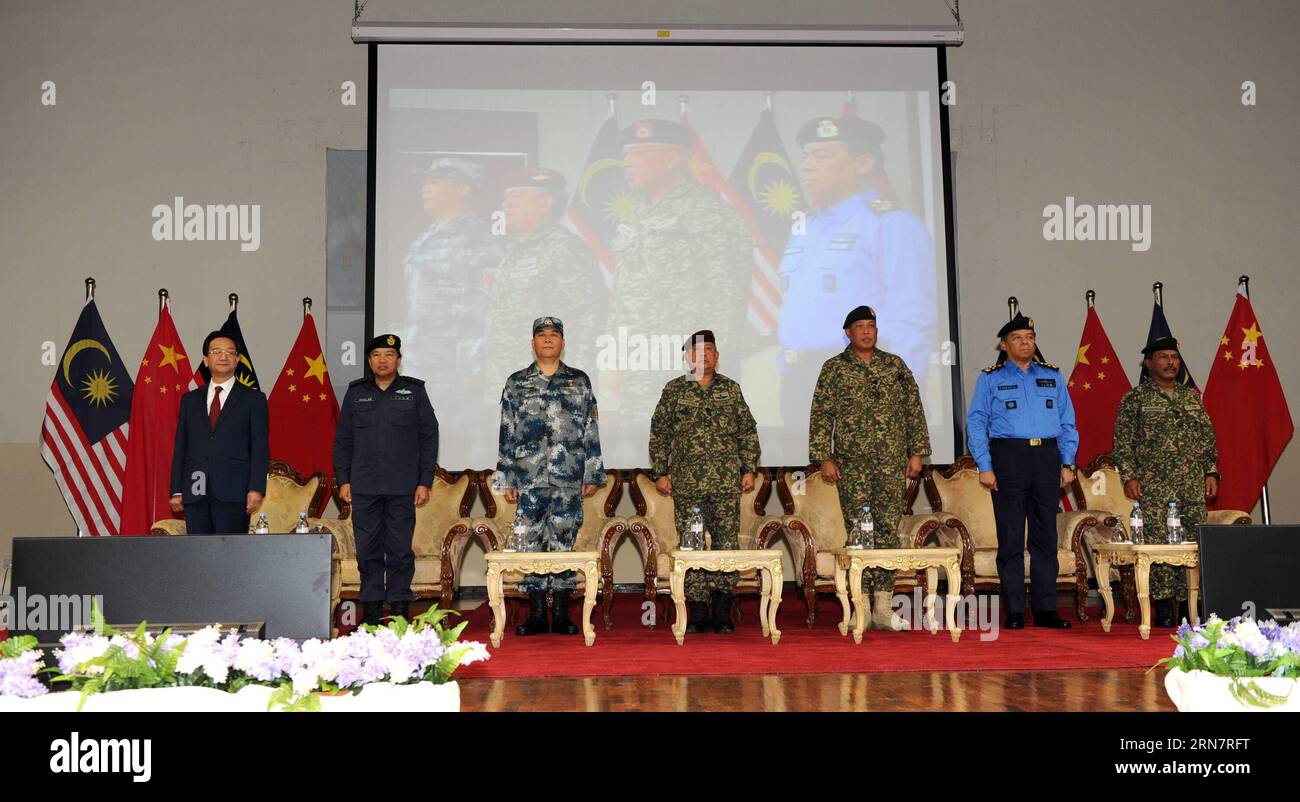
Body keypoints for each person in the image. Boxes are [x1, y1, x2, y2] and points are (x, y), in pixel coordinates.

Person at [777, 115, 937, 428]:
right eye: (806, 156)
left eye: (821, 156)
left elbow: (912, 320)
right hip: (799, 384)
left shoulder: (892, 224)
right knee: (805, 477)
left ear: (862, 163)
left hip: (863, 383)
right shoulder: (804, 228)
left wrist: (904, 397)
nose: (807, 166)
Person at [604, 119, 752, 421]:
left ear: (673, 159)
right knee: (639, 461)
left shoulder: (709, 213)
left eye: (638, 154)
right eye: (626, 154)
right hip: (638, 367)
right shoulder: (636, 214)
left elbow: (726, 296)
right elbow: (623, 295)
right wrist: (614, 360)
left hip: (685, 368)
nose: (627, 163)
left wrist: (707, 371)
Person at [808, 306, 931, 630]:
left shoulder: (894, 366)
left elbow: (913, 410)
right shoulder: (834, 368)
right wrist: (825, 457)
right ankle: (860, 607)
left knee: (888, 531)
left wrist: (917, 452)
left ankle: (883, 608)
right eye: (860, 326)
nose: (866, 332)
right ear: (847, 332)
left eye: (871, 326)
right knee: (859, 533)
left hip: (891, 464)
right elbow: (821, 415)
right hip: (852, 465)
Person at [495, 317, 606, 636]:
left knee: (562, 542)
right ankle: (536, 614)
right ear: (532, 343)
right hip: (528, 479)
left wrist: (593, 472)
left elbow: (590, 429)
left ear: (562, 343)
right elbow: (507, 431)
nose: (547, 340)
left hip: (568, 478)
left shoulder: (579, 381)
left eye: (553, 335)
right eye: (541, 335)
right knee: (530, 544)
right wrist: (507, 477)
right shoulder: (517, 382)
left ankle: (560, 613)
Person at [966, 313, 1078, 630]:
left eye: (1029, 337)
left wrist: (1067, 462)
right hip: (1009, 457)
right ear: (1004, 345)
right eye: (1017, 338)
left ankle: (1045, 610)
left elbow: (1068, 423)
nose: (1025, 342)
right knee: (1012, 538)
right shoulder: (991, 378)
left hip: (1046, 456)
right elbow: (976, 422)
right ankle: (1015, 609)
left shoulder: (1052, 377)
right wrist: (985, 465)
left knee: (1045, 537)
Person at [649, 330, 761, 634]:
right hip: (687, 484)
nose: (704, 355)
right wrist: (660, 472)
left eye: (710, 349)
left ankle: (722, 610)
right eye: (697, 351)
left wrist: (748, 469)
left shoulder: (731, 389)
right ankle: (697, 610)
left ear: (717, 355)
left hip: (726, 483)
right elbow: (660, 434)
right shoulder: (675, 390)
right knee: (692, 546)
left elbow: (747, 432)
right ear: (688, 357)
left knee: (726, 545)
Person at [1112, 335, 1219, 627]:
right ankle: (1161, 607)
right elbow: (1123, 444)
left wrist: (1210, 472)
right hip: (1153, 485)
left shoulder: (1190, 397)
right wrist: (1129, 476)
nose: (1170, 362)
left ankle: (1189, 605)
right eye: (1163, 357)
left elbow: (1207, 439)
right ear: (1148, 363)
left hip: (1191, 484)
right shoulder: (1135, 399)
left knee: (1191, 545)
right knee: (1158, 545)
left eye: (1174, 357)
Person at [333, 334, 439, 626]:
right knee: (367, 551)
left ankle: (401, 609)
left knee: (400, 551)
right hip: (364, 486)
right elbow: (343, 440)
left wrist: (424, 481)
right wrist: (343, 479)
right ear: (369, 361)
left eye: (389, 355)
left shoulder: (414, 391)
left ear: (398, 360)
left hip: (403, 486)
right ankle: (370, 611)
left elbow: (429, 437)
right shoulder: (356, 393)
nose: (383, 360)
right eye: (376, 355)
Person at [399, 157, 504, 442]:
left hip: (454, 371)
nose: (425, 187)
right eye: (426, 181)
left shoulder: (476, 239)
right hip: (423, 362)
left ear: (463, 190)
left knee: (456, 446)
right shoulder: (427, 236)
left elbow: (484, 308)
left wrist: (473, 368)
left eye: (436, 181)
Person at [483, 167, 607, 395]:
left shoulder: (565, 249)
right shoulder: (514, 250)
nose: (505, 204)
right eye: (506, 197)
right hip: (511, 383)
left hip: (550, 389)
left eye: (516, 197)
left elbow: (587, 320)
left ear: (544, 203)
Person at [169, 332, 269, 534]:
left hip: (234, 491)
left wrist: (256, 488)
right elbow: (182, 446)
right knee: (198, 554)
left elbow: (260, 447)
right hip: (196, 490)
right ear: (206, 360)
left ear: (237, 359)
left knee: (230, 555)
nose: (223, 356)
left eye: (230, 352)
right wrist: (177, 489)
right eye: (217, 352)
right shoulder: (190, 400)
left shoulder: (253, 399)